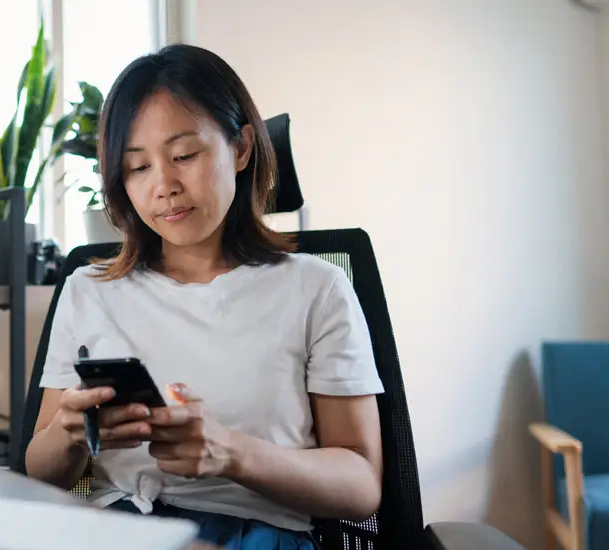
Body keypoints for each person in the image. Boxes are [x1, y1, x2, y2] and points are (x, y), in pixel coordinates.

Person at [24, 44, 385, 550]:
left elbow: (362, 484)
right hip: (116, 532)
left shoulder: (316, 288)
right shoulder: (89, 289)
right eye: (137, 167)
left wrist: (231, 453)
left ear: (239, 148)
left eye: (184, 156)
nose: (163, 186)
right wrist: (67, 433)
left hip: (257, 536)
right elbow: (41, 475)